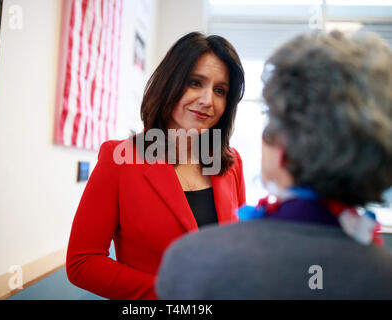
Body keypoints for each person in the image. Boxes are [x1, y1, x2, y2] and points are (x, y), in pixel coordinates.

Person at [156, 30, 392, 299]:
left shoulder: (191, 263)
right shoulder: (383, 274)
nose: (207, 100)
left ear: (281, 148)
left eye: (270, 118)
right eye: (195, 83)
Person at [66, 32, 246, 299]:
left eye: (220, 91)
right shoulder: (119, 158)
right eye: (195, 83)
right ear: (169, 84)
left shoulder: (230, 162)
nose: (208, 100)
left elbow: (240, 247)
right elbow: (83, 262)